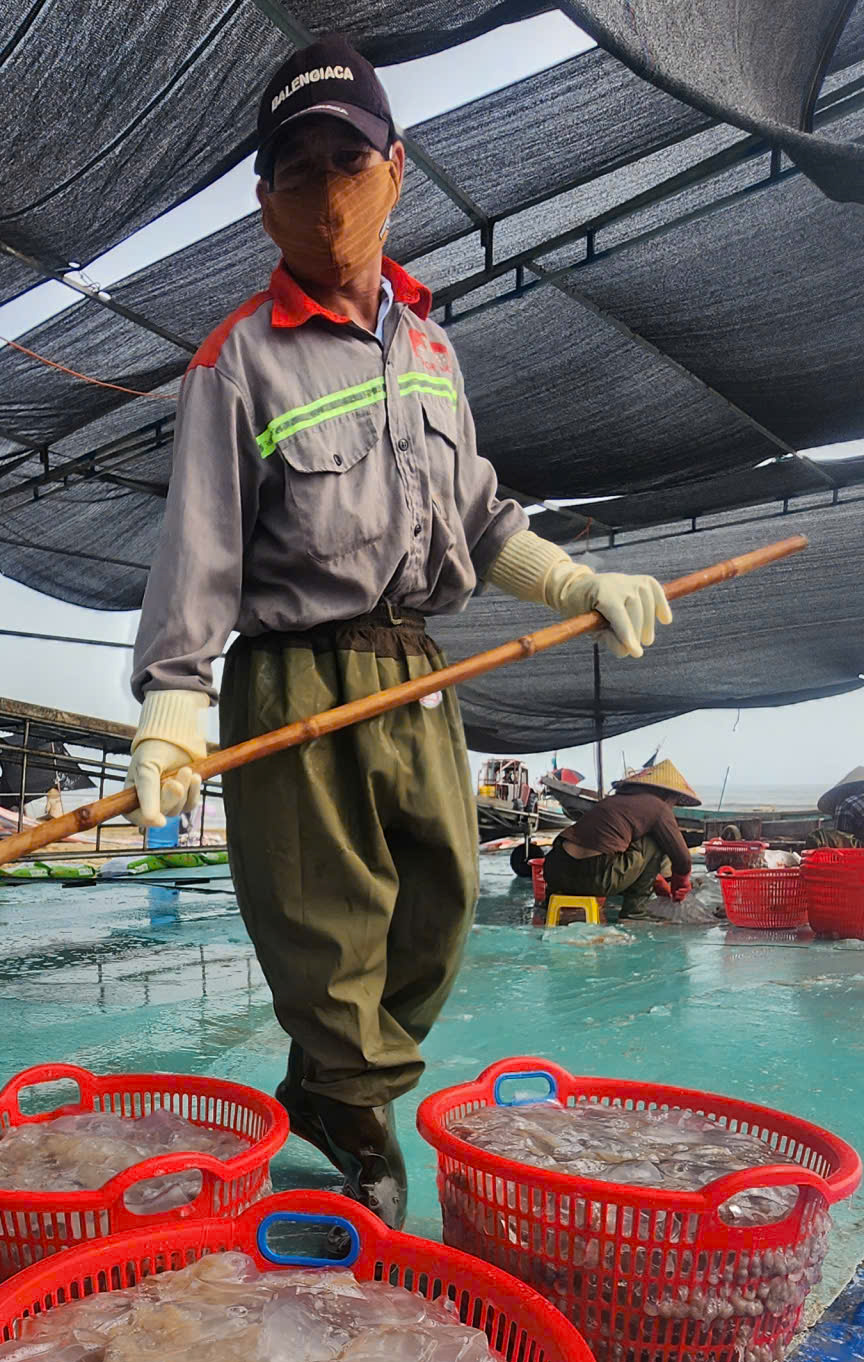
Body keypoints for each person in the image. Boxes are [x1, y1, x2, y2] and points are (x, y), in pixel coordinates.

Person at [121, 37, 672, 1225]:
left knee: (439, 903)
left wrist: (574, 581)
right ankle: (359, 1119)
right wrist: (172, 701)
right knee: (323, 919)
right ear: (264, 197)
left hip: (415, 664)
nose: (326, 191)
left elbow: (477, 516)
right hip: (294, 675)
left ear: (394, 169)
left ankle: (324, 1086)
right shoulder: (237, 359)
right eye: (297, 168)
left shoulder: (428, 344)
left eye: (348, 160)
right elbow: (199, 546)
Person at [542, 759, 700, 915]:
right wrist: (681, 882)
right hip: (597, 879)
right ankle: (635, 912)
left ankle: (548, 904)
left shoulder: (613, 801)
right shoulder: (659, 807)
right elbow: (682, 859)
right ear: (668, 795)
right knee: (653, 841)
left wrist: (660, 881)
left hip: (556, 873)